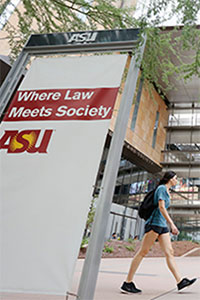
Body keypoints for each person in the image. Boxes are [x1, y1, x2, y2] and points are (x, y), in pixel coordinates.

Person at [120, 171, 197, 294]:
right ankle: (127, 283)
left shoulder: (167, 191)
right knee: (143, 252)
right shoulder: (161, 189)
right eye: (176, 178)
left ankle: (180, 281)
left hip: (162, 225)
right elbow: (161, 207)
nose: (177, 180)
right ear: (170, 179)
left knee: (169, 252)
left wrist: (167, 224)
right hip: (154, 223)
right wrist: (172, 224)